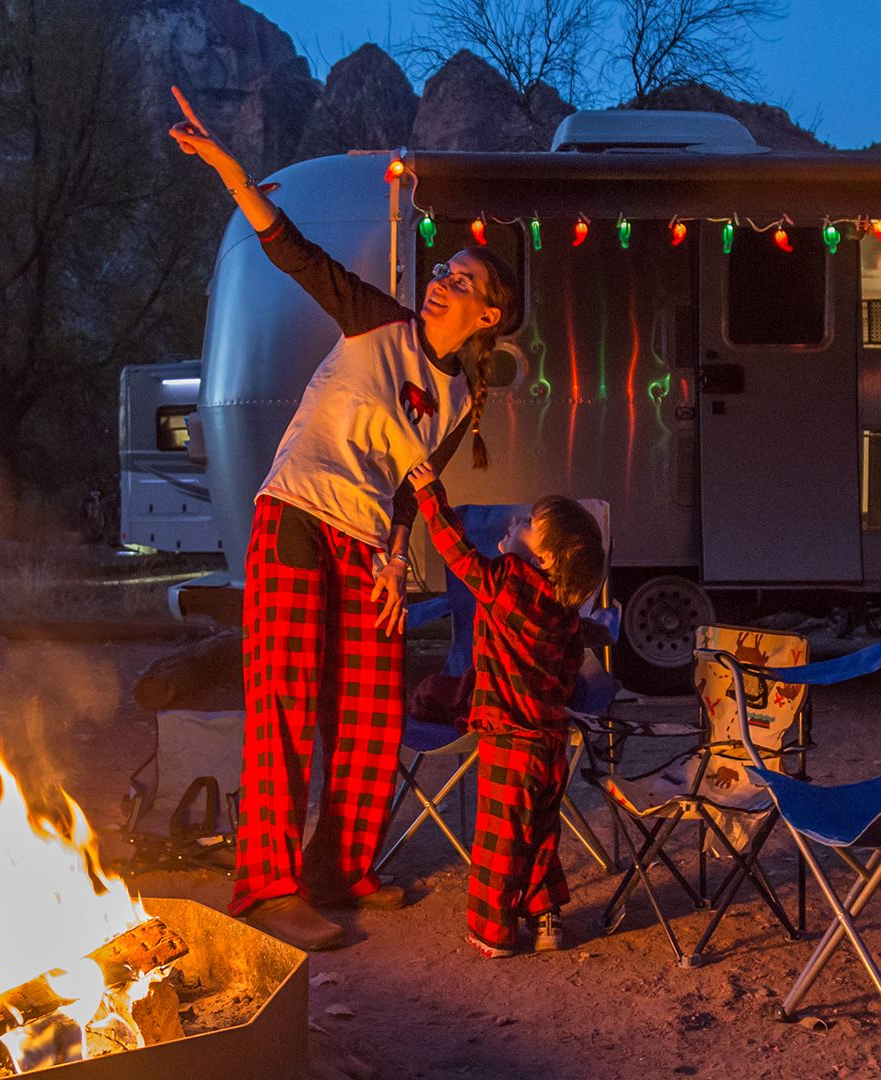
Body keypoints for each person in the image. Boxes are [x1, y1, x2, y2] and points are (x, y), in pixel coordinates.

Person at [167, 87, 522, 951]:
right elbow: (293, 252)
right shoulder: (381, 324)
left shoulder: (459, 399)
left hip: (365, 546)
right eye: (443, 271)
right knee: (286, 705)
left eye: (463, 282)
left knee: (370, 715)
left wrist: (396, 560)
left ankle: (340, 868)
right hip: (295, 515)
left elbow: (407, 489)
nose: (443, 281)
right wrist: (231, 173)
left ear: (491, 316)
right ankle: (267, 885)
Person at [405, 458, 605, 957]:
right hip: (550, 742)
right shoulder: (564, 612)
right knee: (538, 834)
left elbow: (458, 554)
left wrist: (432, 493)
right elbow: (567, 673)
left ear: (547, 557)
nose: (515, 524)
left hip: (509, 740)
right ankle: (546, 921)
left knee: (500, 841)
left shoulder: (509, 583)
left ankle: (492, 933)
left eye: (529, 526)